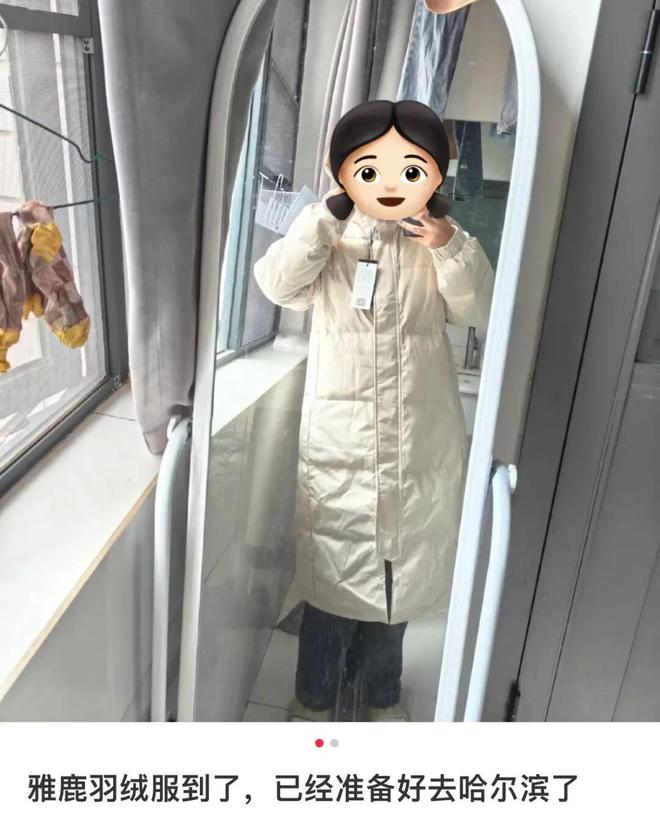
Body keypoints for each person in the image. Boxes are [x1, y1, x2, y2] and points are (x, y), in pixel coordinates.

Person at [254, 99, 493, 722]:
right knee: (333, 583)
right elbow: (277, 285)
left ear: (433, 173)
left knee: (400, 586)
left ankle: (381, 695)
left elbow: (478, 309)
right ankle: (314, 701)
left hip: (420, 434)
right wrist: (323, 219)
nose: (389, 183)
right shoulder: (327, 234)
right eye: (370, 168)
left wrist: (448, 246)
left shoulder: (442, 240)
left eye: (410, 169)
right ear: (343, 171)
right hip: (344, 437)